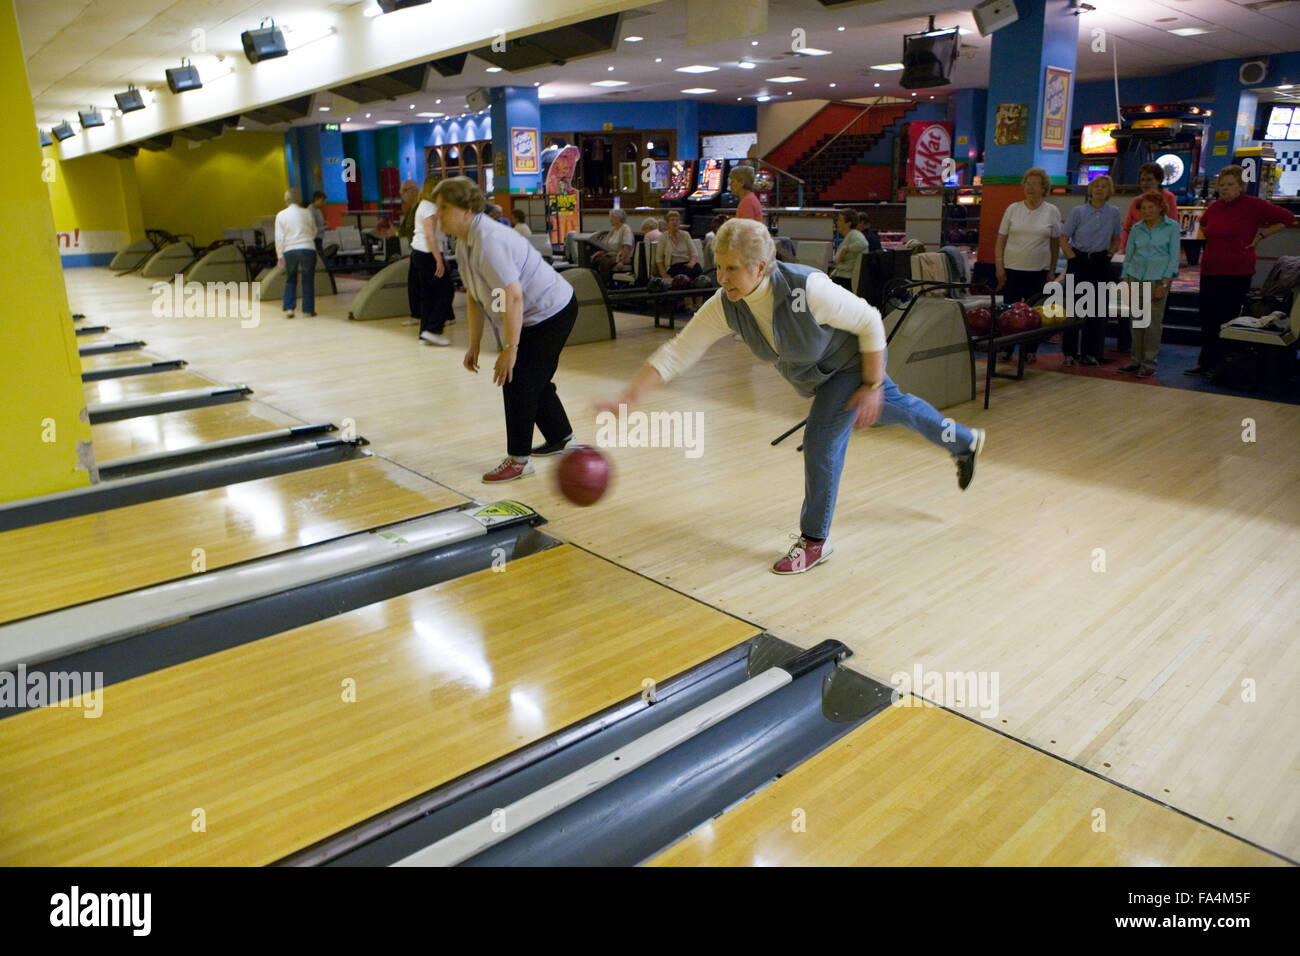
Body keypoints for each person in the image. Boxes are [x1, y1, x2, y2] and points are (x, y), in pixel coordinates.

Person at [599, 219, 985, 575]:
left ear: (761, 267)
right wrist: (631, 395)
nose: (722, 277)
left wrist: (870, 385)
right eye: (719, 266)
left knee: (820, 442)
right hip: (820, 378)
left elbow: (869, 320)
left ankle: (815, 541)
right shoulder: (727, 305)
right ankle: (965, 441)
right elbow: (680, 350)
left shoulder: (808, 289)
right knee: (899, 411)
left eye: (732, 268)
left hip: (850, 368)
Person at [433, 176, 580, 482]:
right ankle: (561, 438)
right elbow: (475, 296)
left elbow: (513, 295)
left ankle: (519, 460)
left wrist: (509, 350)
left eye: (444, 207)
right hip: (530, 314)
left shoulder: (489, 240)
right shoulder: (464, 244)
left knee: (518, 379)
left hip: (551, 310)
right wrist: (473, 344)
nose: (438, 214)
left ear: (464, 210)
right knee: (532, 379)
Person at [1188, 164, 1295, 376]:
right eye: (1223, 185)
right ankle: (1206, 362)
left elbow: (1288, 218)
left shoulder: (1253, 205)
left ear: (1240, 187)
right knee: (1208, 317)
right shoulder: (1215, 207)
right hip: (1211, 269)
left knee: (1227, 316)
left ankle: (1225, 363)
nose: (1225, 189)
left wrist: (1262, 235)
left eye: (1230, 185)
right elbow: (1203, 224)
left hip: (1237, 270)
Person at [995, 167, 1062, 362]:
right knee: (1009, 312)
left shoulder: (1052, 211)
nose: (1030, 188)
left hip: (1038, 271)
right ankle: (1005, 348)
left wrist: (1052, 270)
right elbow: (1001, 240)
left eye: (1035, 184)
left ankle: (1030, 350)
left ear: (1044, 188)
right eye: (1027, 184)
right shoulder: (1013, 209)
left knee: (1033, 313)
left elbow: (1055, 243)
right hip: (1013, 268)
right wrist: (999, 265)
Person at [1059, 174, 1122, 366]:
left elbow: (1116, 238)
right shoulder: (1078, 211)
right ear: (1090, 190)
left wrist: (1109, 255)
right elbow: (1063, 237)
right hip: (1079, 260)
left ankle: (1091, 352)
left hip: (1100, 262)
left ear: (1109, 191)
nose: (1099, 189)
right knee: (1073, 307)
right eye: (1096, 186)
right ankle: (1069, 353)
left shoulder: (1114, 212)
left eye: (1104, 186)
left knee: (1097, 310)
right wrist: (1072, 257)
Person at [1118, 193, 1181, 379]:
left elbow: (1174, 257)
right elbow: (1129, 254)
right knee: (1136, 322)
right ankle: (1135, 360)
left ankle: (1149, 363)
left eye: (1150, 207)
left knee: (1152, 324)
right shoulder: (1137, 228)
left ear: (1161, 207)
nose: (1147, 211)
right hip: (1136, 277)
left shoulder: (1172, 227)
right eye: (1143, 208)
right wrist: (1125, 278)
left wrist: (1165, 282)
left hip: (1158, 280)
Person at [409, 175, 454, 346]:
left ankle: (425, 333)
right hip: (427, 253)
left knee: (428, 294)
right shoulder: (429, 207)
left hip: (420, 253)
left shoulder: (424, 205)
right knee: (446, 290)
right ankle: (434, 329)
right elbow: (430, 236)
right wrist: (438, 259)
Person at [274, 188, 317, 318]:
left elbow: (279, 237)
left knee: (291, 279)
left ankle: (289, 308)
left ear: (286, 199)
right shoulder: (307, 213)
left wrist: (280, 255)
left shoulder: (281, 215)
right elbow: (314, 231)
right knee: (308, 279)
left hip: (290, 250)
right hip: (308, 248)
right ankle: (308, 310)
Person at [1119, 162, 1179, 253]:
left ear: (1158, 180)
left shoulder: (1168, 198)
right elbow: (1127, 229)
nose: (1145, 183)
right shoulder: (1136, 201)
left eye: (1149, 180)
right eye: (1142, 180)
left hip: (1160, 250)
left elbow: (1172, 228)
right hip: (1137, 249)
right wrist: (1122, 248)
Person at [656, 210, 704, 310]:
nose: (675, 222)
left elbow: (694, 253)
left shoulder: (685, 235)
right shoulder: (663, 237)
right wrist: (664, 274)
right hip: (674, 266)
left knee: (698, 271)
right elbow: (659, 259)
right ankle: (689, 304)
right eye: (672, 220)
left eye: (677, 220)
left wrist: (691, 263)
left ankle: (699, 304)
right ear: (667, 223)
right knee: (683, 274)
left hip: (687, 264)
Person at [396, 179, 421, 326]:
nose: (402, 196)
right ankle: (417, 314)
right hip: (417, 250)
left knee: (418, 284)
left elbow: (409, 229)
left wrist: (397, 232)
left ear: (412, 190)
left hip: (422, 251)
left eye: (404, 192)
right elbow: (405, 228)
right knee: (415, 284)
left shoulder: (418, 207)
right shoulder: (412, 208)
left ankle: (419, 315)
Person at [590, 208, 634, 286]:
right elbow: (606, 246)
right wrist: (598, 253)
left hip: (620, 256)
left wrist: (621, 261)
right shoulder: (613, 230)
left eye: (612, 217)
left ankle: (605, 285)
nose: (610, 219)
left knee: (604, 262)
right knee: (595, 260)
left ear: (619, 218)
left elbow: (626, 246)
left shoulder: (625, 229)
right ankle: (595, 284)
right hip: (610, 255)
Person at [831, 210, 868, 291]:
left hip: (847, 280)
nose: (837, 222)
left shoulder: (854, 234)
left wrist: (846, 249)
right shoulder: (849, 236)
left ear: (848, 224)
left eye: (840, 220)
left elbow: (863, 243)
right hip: (842, 277)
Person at [309, 190, 328, 258]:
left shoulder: (318, 209)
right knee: (322, 260)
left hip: (319, 239)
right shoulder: (310, 210)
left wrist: (324, 222)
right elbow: (313, 229)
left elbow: (320, 222)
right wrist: (325, 227)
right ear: (316, 199)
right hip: (315, 240)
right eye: (322, 200)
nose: (324, 203)